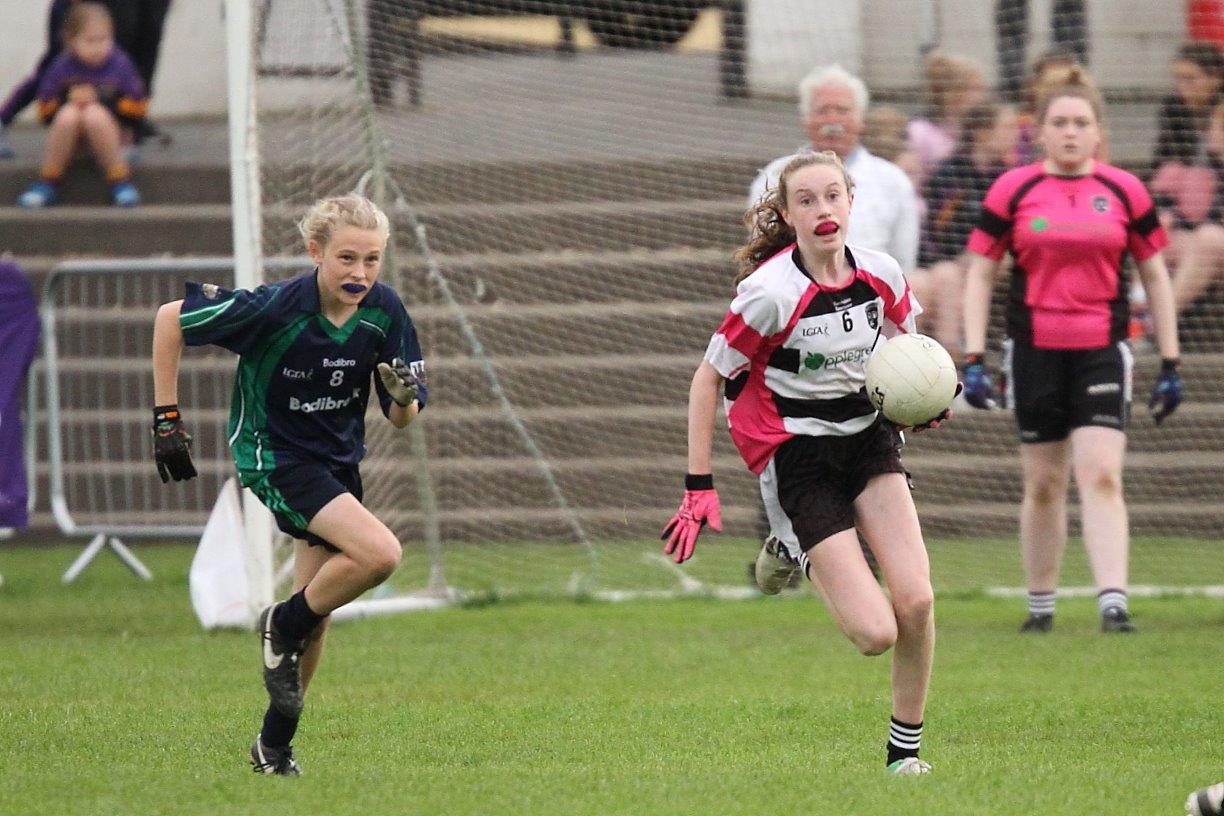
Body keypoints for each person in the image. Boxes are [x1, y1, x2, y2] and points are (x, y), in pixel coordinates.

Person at [667, 150, 940, 775]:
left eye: (833, 196)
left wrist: (930, 394)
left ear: (851, 202)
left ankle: (905, 754)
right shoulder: (768, 294)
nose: (824, 210)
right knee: (876, 635)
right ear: (787, 215)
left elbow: (909, 346)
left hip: (869, 441)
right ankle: (794, 546)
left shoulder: (882, 273)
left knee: (917, 602)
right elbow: (708, 379)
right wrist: (697, 484)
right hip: (801, 458)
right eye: (807, 201)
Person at [151, 194, 428, 776]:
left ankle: (272, 748)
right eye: (347, 258)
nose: (359, 273)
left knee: (320, 613)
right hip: (273, 455)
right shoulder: (274, 307)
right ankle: (282, 621)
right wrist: (167, 419)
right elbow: (170, 319)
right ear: (315, 252)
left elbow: (402, 416)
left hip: (336, 464)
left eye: (372, 260)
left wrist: (402, 398)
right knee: (381, 554)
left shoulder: (386, 311)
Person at [960, 68, 1183, 635]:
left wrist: (1172, 362)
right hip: (1034, 350)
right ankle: (1041, 604)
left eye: (1080, 123)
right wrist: (973, 357)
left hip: (1103, 349)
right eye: (1058, 122)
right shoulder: (1012, 191)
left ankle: (1113, 601)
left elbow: (1155, 275)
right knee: (1043, 484)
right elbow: (980, 274)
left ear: (1098, 132)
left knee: (1102, 474)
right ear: (1039, 131)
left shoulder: (1125, 191)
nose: (1069, 132)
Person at [747, 64, 920, 275]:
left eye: (842, 111)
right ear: (806, 119)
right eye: (823, 111)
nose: (832, 121)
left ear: (860, 121)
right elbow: (762, 246)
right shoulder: (774, 176)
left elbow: (903, 259)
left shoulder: (892, 180)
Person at [911, 101, 1019, 357]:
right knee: (944, 276)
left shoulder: (1007, 178)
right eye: (1007, 127)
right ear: (982, 133)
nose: (1014, 134)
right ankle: (945, 356)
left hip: (990, 262)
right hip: (944, 263)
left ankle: (961, 357)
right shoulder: (949, 174)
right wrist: (960, 258)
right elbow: (934, 230)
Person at [16, 2, 147, 208]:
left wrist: (102, 99)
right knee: (70, 114)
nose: (98, 48)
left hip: (113, 138)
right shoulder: (62, 66)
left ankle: (119, 180)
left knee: (93, 114)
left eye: (103, 40)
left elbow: (138, 110)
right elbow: (44, 111)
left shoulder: (120, 64)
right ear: (71, 41)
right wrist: (67, 99)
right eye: (90, 41)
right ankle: (48, 181)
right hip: (73, 141)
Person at [905, 51, 988, 192]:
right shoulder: (920, 131)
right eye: (976, 88)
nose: (984, 95)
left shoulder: (976, 131)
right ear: (956, 91)